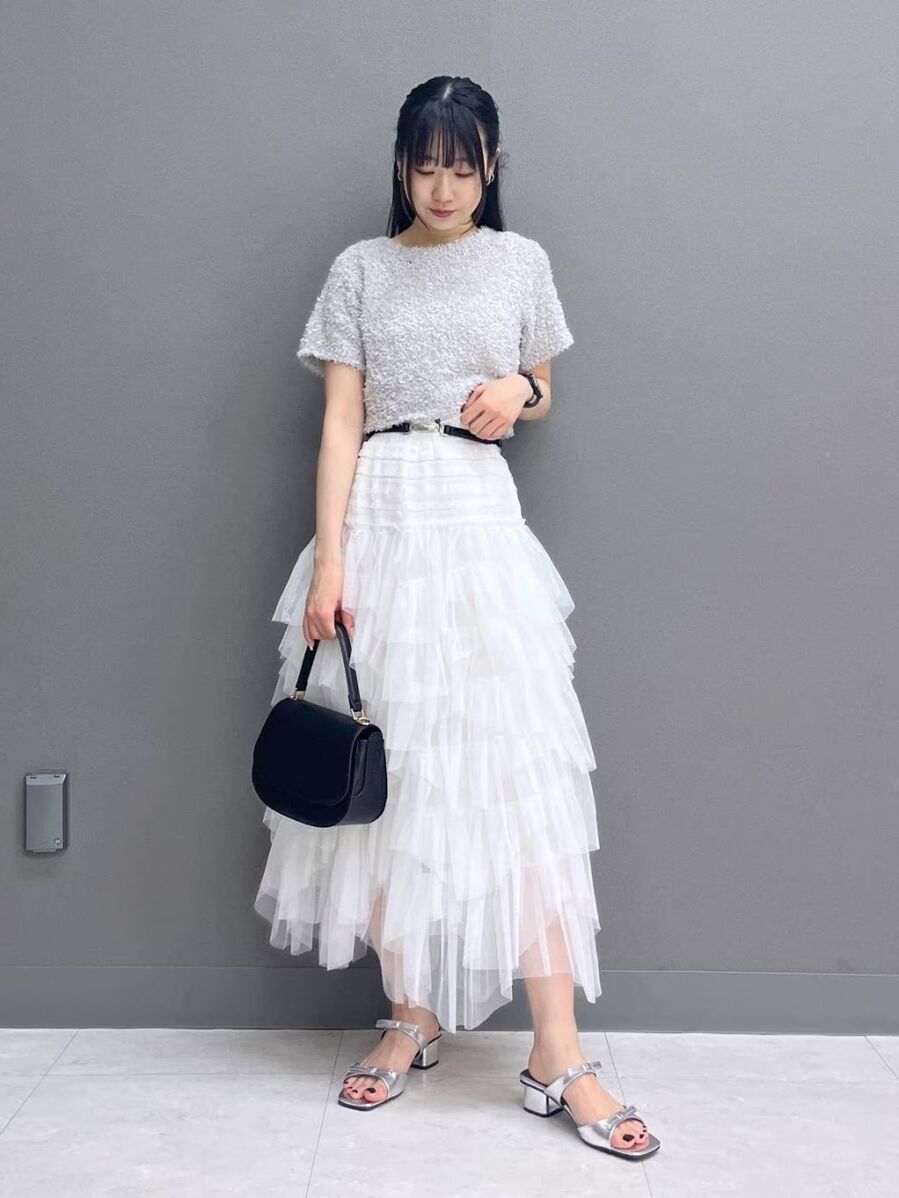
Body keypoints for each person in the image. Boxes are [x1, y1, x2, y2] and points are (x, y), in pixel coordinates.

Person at [254, 75, 660, 1161]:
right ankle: (410, 1015)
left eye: (463, 167)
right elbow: (339, 422)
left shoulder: (518, 263)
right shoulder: (359, 269)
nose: (443, 187)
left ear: (491, 168)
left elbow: (540, 385)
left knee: (514, 774)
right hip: (381, 514)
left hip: (476, 517)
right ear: (401, 164)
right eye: (425, 165)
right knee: (389, 773)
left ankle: (556, 1053)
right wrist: (331, 559)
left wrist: (519, 392)